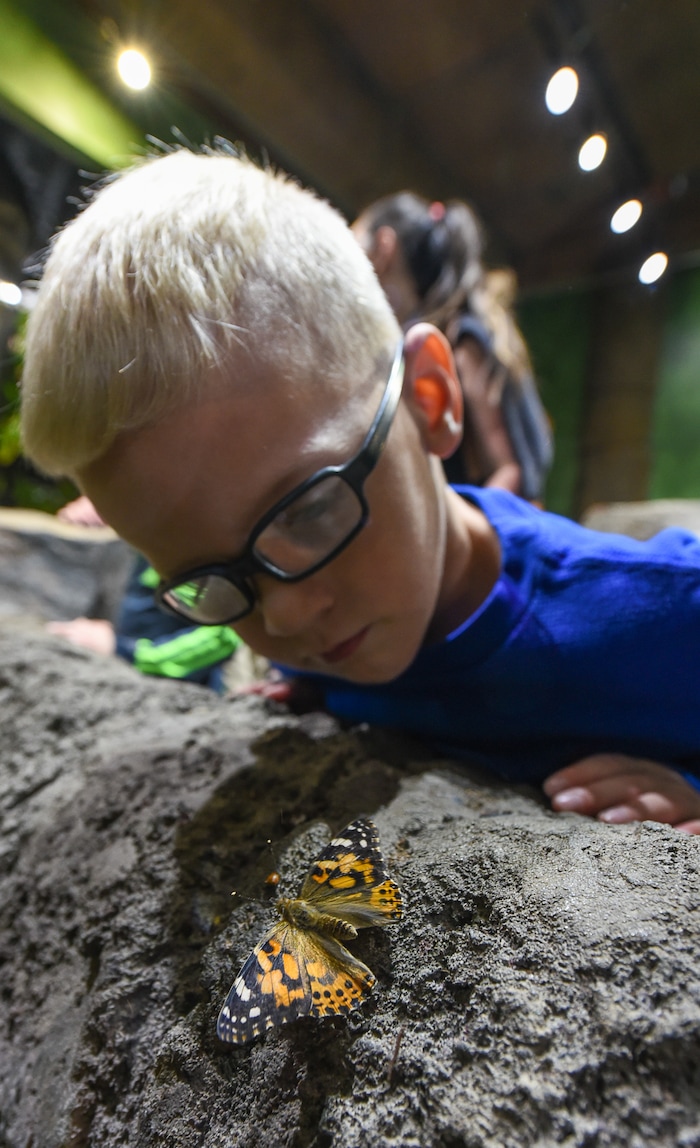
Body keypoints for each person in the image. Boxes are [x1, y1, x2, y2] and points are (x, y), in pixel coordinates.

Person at [18, 148, 700, 834]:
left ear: (431, 400)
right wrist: (317, 690)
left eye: (312, 511)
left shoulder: (662, 611)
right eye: (218, 584)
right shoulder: (337, 632)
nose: (282, 619)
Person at [353, 193, 552, 503]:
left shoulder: (463, 339)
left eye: (354, 241)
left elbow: (510, 471)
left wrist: (451, 535)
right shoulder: (421, 335)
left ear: (383, 247)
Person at [48, 497, 242, 691]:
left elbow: (227, 635)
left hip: (180, 694)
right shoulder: (158, 522)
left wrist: (124, 651)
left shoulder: (209, 542)